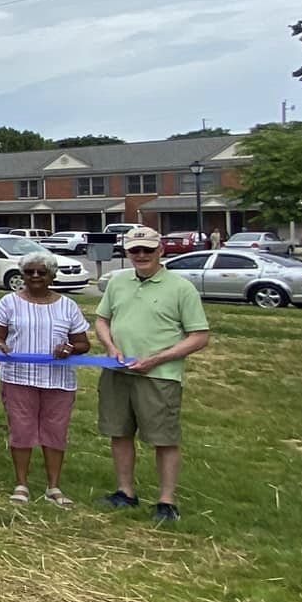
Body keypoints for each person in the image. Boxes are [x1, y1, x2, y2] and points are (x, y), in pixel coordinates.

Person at [91, 225, 210, 524]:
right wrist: (110, 346)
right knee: (119, 433)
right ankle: (125, 492)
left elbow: (199, 336)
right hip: (118, 371)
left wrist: (157, 359)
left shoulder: (181, 288)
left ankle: (166, 501)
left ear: (161, 250)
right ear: (128, 253)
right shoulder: (118, 283)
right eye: (135, 250)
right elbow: (102, 320)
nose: (141, 255)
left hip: (159, 375)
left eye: (147, 250)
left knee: (164, 439)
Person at [0, 258, 91, 507]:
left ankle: (53, 487)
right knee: (21, 431)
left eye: (41, 272)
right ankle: (21, 484)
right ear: (22, 275)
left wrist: (69, 348)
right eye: (29, 272)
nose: (35, 276)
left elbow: (83, 343)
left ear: (51, 276)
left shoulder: (67, 305)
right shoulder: (9, 302)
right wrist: (0, 345)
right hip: (18, 377)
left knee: (55, 433)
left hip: (58, 381)